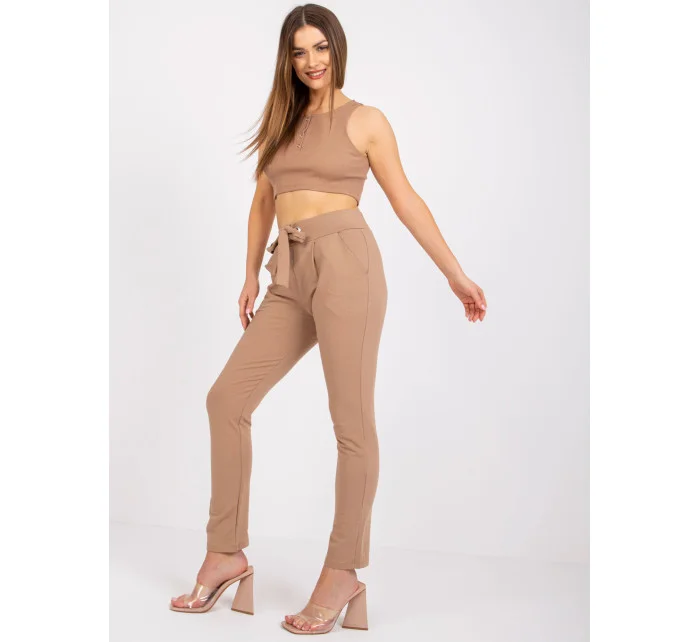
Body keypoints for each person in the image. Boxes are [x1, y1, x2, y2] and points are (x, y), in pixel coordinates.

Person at [169, 2, 488, 634]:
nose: (310, 61)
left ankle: (343, 571)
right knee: (226, 399)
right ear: (287, 60)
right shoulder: (281, 121)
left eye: (320, 48)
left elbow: (405, 198)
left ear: (337, 49)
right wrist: (249, 274)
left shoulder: (366, 120)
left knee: (351, 424)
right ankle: (225, 553)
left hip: (347, 266)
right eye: (298, 51)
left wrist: (454, 273)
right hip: (287, 271)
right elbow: (262, 200)